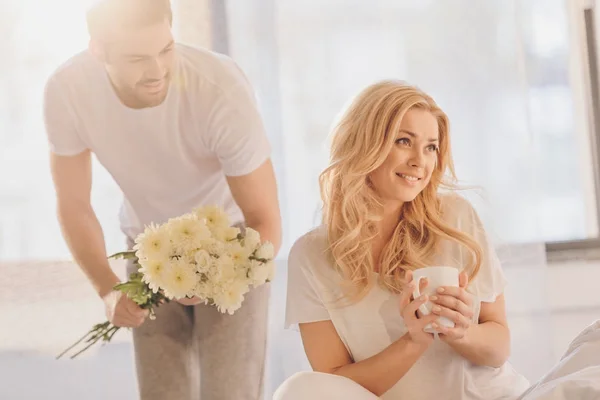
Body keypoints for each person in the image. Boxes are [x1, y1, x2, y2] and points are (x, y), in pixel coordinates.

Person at [43, 1, 281, 399]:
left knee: (230, 392)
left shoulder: (219, 87)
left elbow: (264, 217)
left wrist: (215, 275)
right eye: (137, 58)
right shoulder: (67, 91)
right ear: (98, 50)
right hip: (147, 243)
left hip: (236, 244)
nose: (157, 72)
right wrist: (107, 288)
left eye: (165, 49)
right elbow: (73, 204)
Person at [273, 80, 531, 399]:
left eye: (430, 147)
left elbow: (498, 347)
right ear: (364, 143)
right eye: (403, 141)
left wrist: (462, 332)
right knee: (298, 390)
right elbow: (332, 384)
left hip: (481, 395)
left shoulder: (455, 218)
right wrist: (414, 341)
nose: (419, 162)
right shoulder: (311, 255)